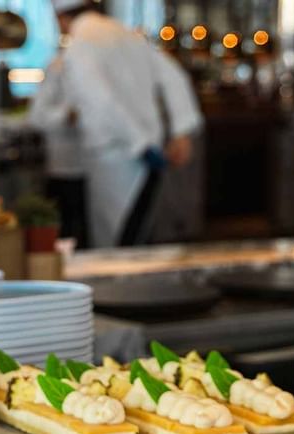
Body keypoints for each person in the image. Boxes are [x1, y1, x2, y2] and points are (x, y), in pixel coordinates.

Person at [50, 0, 202, 248]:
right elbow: (175, 77)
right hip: (146, 153)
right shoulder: (126, 34)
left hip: (115, 157)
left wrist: (140, 144)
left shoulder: (79, 46)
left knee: (116, 243)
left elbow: (102, 101)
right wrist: (181, 131)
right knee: (139, 235)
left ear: (60, 18)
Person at [28, 55, 89, 248]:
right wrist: (66, 115)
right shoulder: (58, 68)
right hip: (64, 169)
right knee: (64, 236)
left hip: (98, 169)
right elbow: (36, 116)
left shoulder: (102, 68)